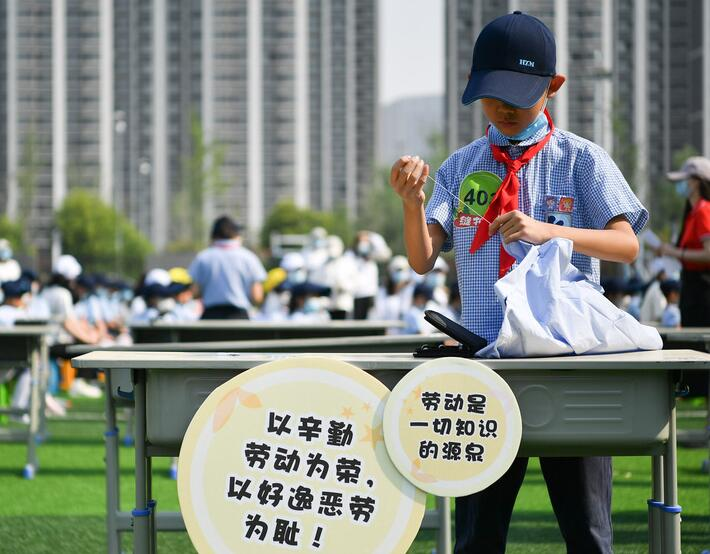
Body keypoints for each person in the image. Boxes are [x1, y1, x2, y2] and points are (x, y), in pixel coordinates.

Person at [389, 11, 647, 553]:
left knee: (588, 529)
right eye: (492, 97)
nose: (504, 109)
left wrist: (548, 231)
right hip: (483, 364)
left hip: (568, 365)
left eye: (519, 97)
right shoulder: (462, 167)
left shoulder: (581, 160)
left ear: (553, 87)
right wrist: (412, 204)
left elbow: (626, 246)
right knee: (477, 534)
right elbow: (422, 258)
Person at [657, 156, 710, 325]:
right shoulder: (693, 213)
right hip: (692, 289)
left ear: (696, 182)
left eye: (684, 180)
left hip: (703, 291)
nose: (681, 185)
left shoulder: (703, 210)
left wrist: (675, 252)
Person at [189, 215, 266, 319]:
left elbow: (195, 292)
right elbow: (257, 296)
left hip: (211, 316)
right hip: (239, 317)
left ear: (214, 235)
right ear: (236, 234)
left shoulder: (203, 257)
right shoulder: (248, 257)